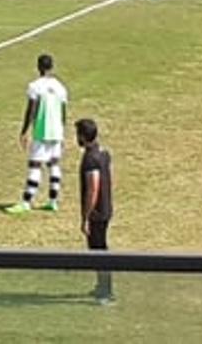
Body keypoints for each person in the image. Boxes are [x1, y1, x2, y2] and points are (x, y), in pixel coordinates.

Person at [7, 53, 68, 214]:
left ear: (39, 67)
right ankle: (53, 201)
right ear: (52, 67)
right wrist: (62, 132)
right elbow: (63, 112)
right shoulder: (60, 87)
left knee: (35, 165)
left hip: (41, 131)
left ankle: (27, 202)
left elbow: (31, 110)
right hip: (56, 131)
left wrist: (24, 130)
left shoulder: (35, 86)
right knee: (53, 164)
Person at [76, 117, 116, 305]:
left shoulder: (90, 158)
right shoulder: (103, 153)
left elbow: (93, 187)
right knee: (101, 250)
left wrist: (85, 217)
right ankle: (103, 286)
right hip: (106, 208)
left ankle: (105, 291)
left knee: (98, 251)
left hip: (97, 213)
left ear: (83, 136)